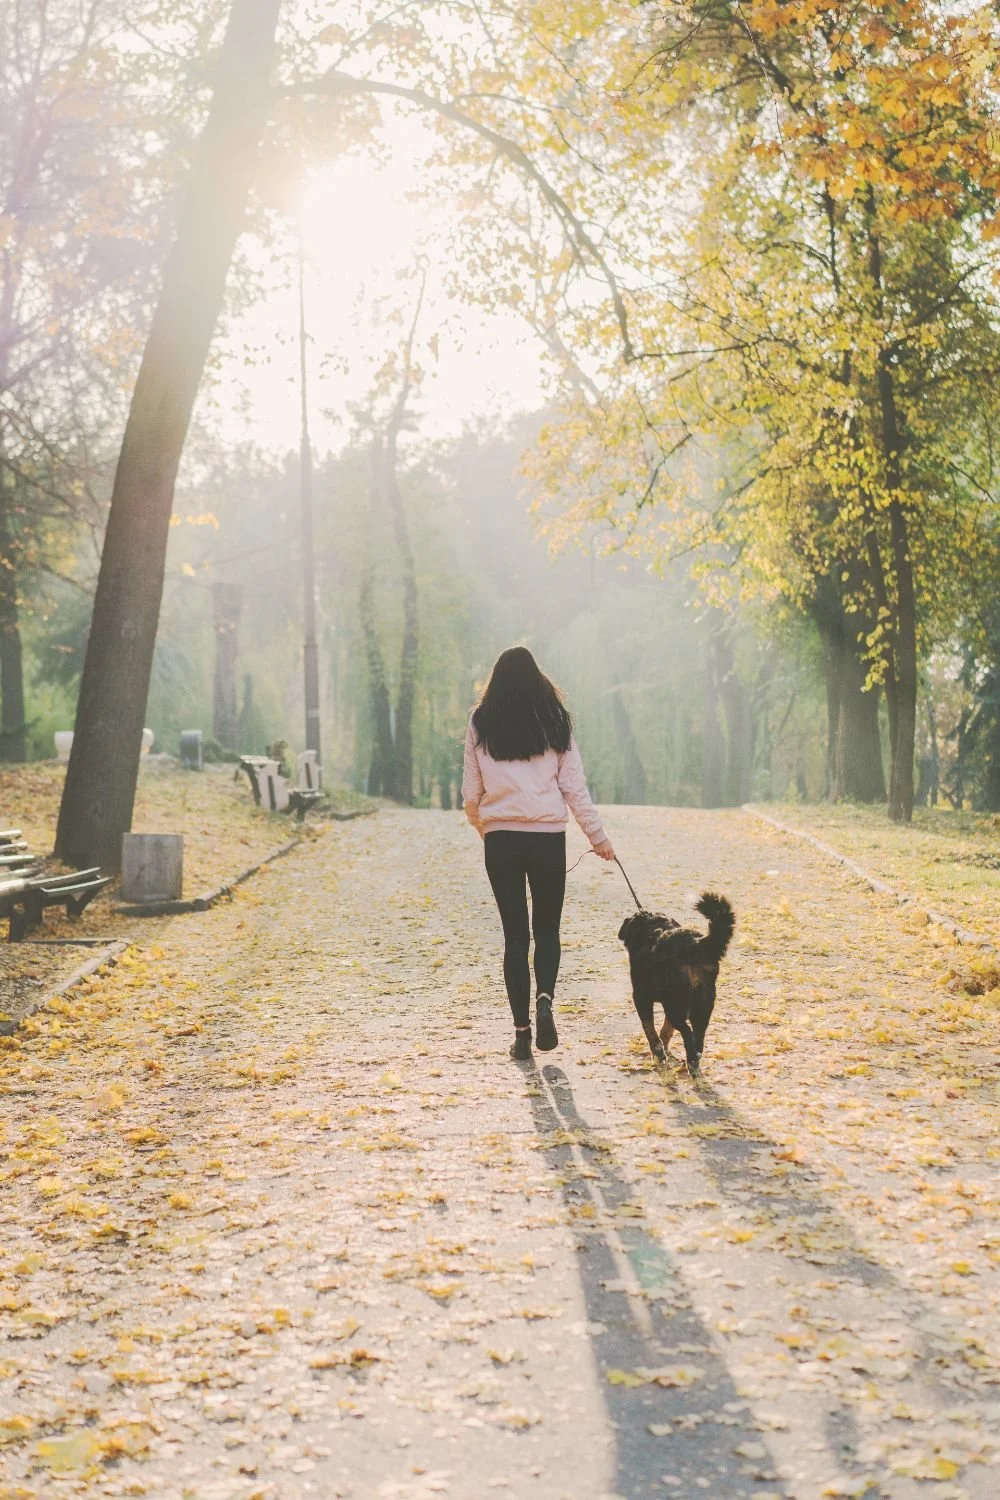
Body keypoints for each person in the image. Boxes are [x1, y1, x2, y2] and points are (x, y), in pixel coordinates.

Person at [462, 646, 615, 1060]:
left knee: (515, 936)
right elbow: (574, 789)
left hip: (501, 840)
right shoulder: (555, 721)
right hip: (548, 838)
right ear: (538, 679)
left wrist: (486, 827)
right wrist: (597, 837)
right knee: (547, 929)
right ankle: (545, 999)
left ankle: (522, 1034)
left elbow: (471, 793)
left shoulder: (481, 721)